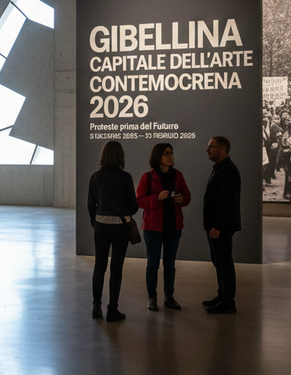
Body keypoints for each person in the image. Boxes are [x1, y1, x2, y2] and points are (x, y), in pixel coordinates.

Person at [87, 140, 139, 322]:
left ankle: (96, 307)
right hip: (120, 227)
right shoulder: (126, 177)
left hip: (101, 226)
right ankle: (112, 310)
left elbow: (90, 205)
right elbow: (133, 207)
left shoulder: (95, 177)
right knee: (116, 268)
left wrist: (96, 222)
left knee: (99, 266)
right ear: (121, 156)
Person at [136, 143, 191, 311]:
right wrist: (157, 198)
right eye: (166, 153)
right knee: (152, 264)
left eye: (171, 153)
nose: (170, 156)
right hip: (153, 227)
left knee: (170, 264)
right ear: (157, 156)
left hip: (173, 226)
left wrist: (182, 200)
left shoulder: (178, 175)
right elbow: (139, 200)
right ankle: (152, 298)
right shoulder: (148, 177)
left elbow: (187, 196)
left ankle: (169, 297)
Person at [202, 136, 241, 314]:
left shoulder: (228, 170)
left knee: (224, 262)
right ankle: (222, 295)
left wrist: (217, 226)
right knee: (219, 261)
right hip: (216, 226)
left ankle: (228, 301)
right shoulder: (220, 168)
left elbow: (227, 202)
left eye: (211, 146)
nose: (207, 150)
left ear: (222, 149)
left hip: (221, 227)